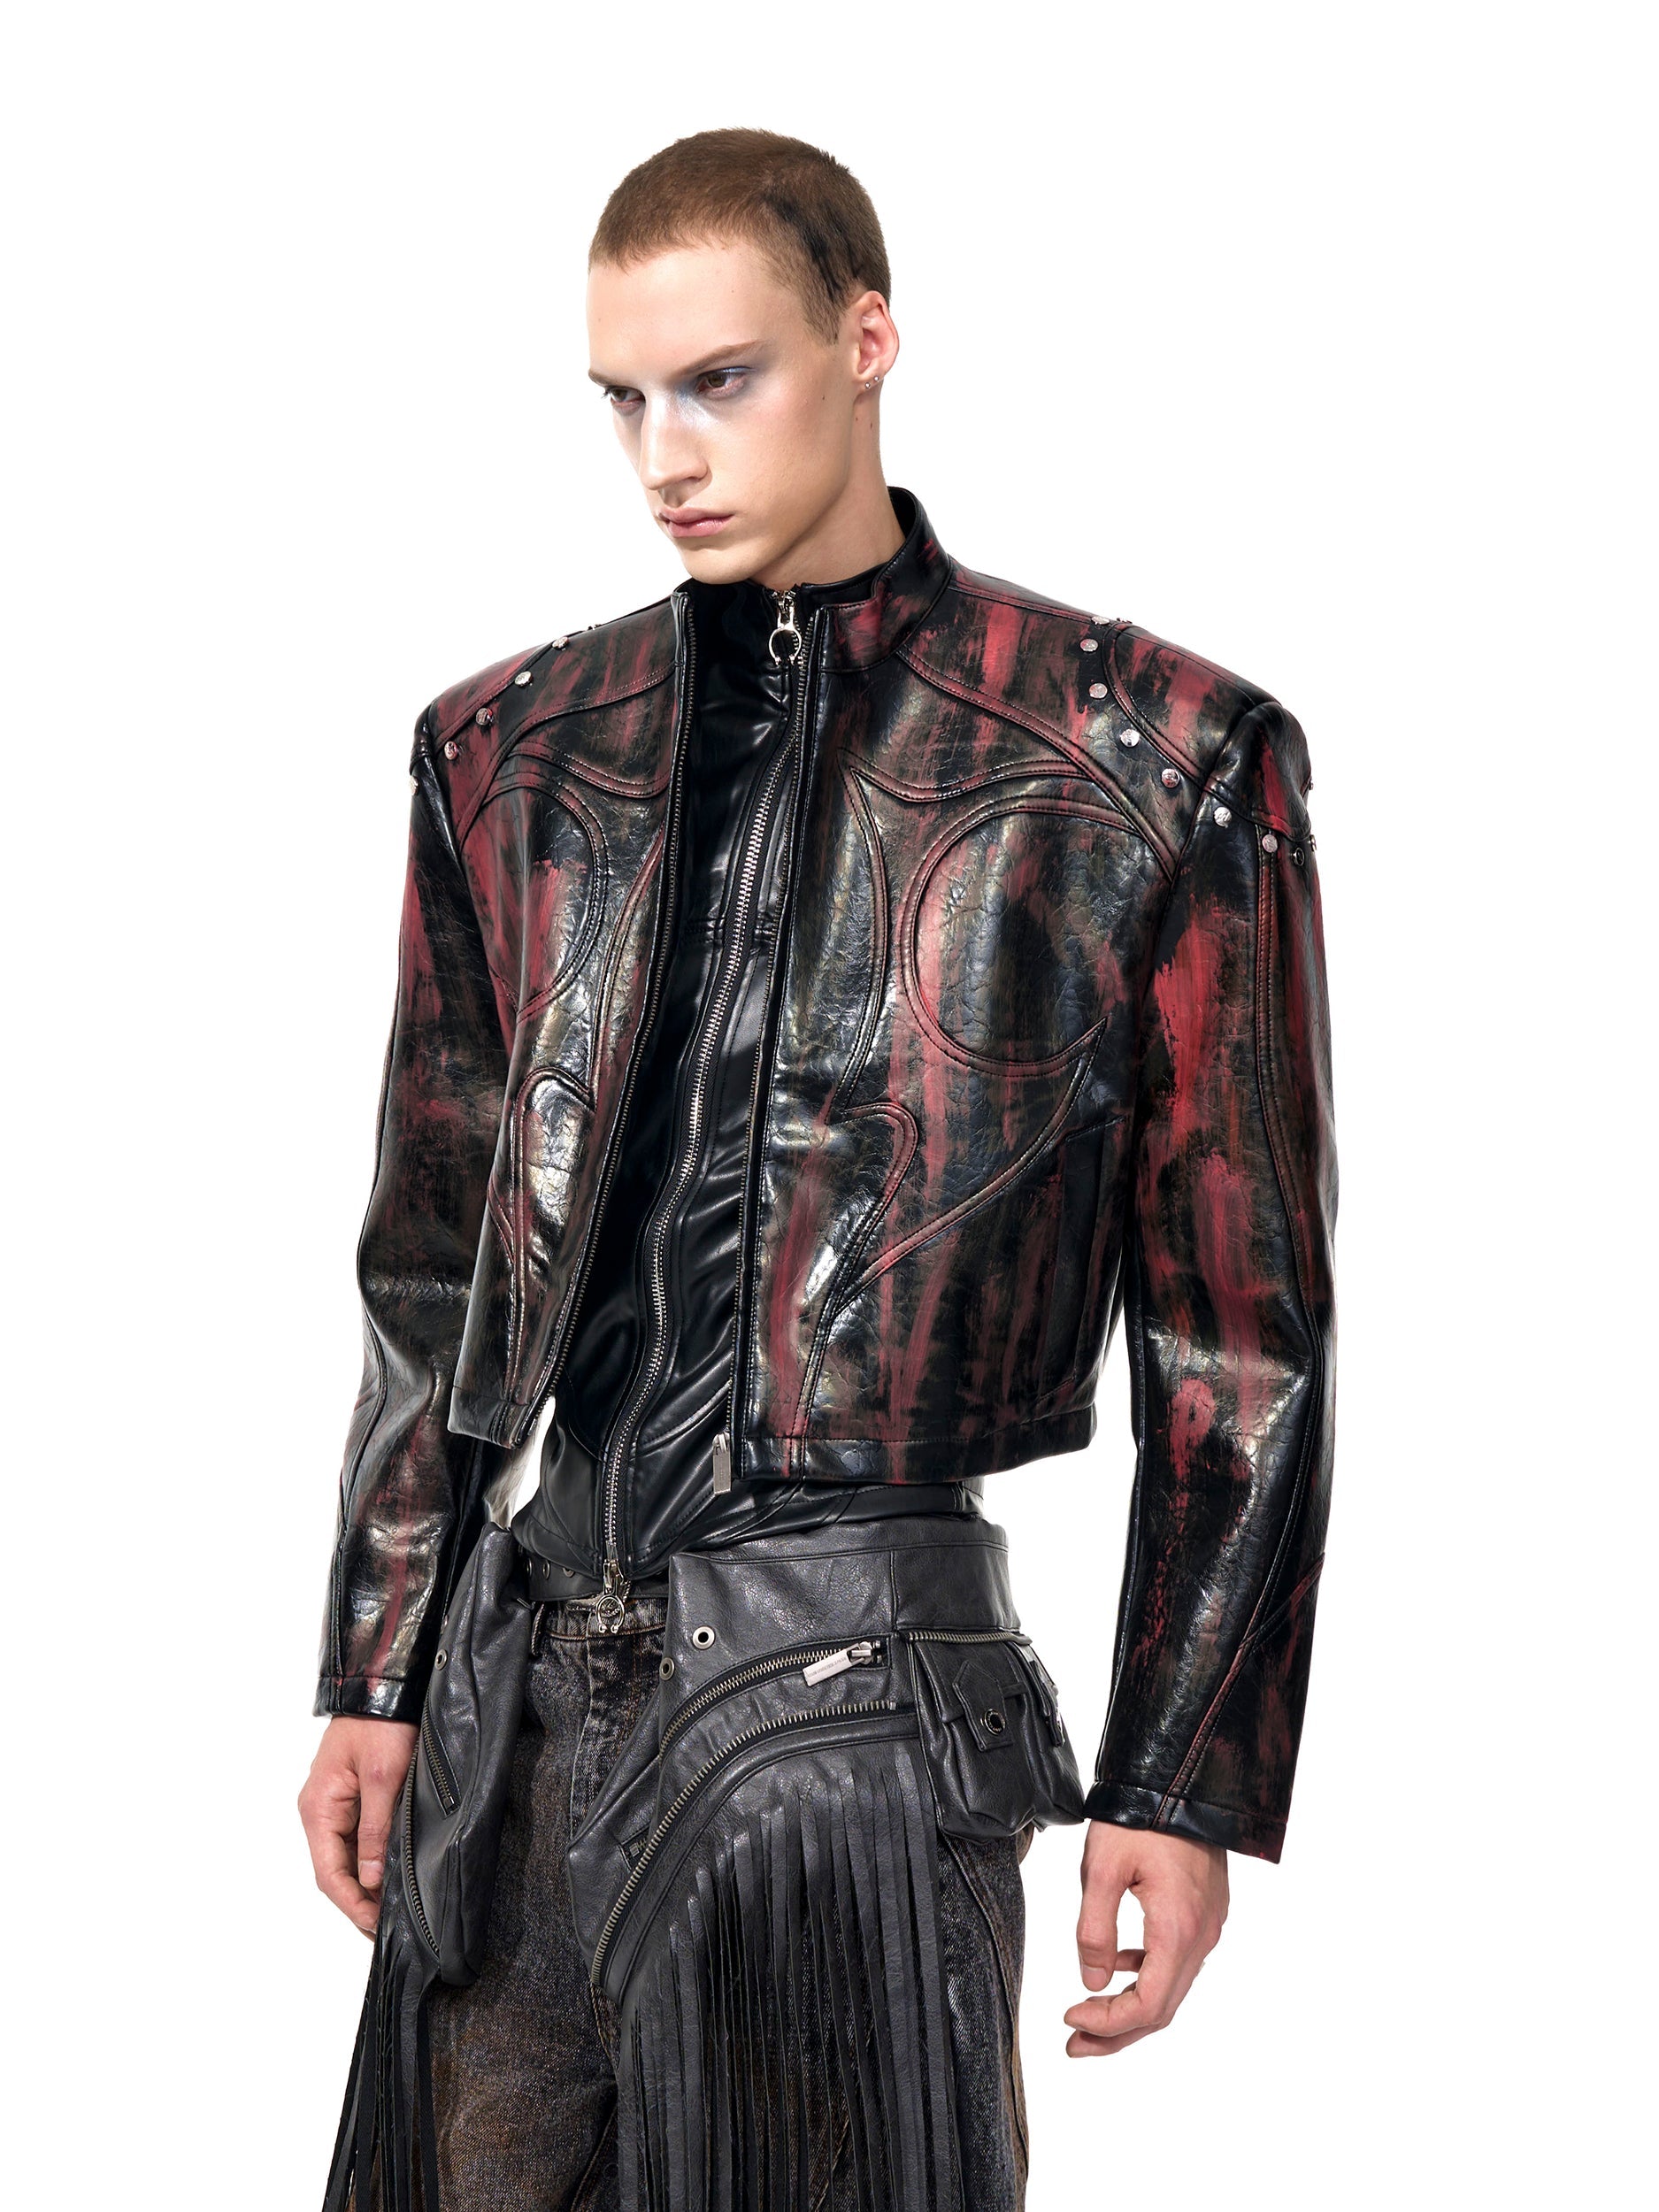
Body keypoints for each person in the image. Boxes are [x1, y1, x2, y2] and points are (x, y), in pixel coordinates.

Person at [300, 127, 1337, 2212]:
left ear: (867, 340)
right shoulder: (509, 751)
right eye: (623, 397)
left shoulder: (1143, 759)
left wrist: (1177, 1775)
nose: (664, 452)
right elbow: (430, 1258)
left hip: (855, 1710)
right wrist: (376, 1661)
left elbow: (1238, 1329)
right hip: (519, 1693)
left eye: (721, 379)